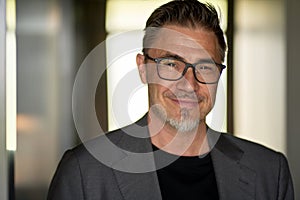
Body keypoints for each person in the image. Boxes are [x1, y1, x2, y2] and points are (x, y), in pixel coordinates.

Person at [47, 0, 294, 199]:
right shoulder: (83, 172)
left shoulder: (270, 172)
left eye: (205, 67)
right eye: (171, 64)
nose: (189, 84)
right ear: (143, 69)